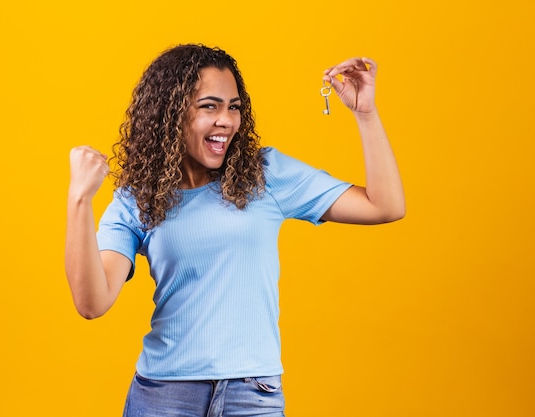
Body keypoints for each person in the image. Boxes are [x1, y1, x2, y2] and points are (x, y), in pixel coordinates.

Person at [65, 44, 404, 417]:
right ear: (171, 114)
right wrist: (80, 200)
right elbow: (92, 303)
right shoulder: (139, 199)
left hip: (253, 394)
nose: (226, 120)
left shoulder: (265, 176)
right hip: (164, 396)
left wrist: (366, 115)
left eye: (234, 107)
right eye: (210, 106)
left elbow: (384, 206)